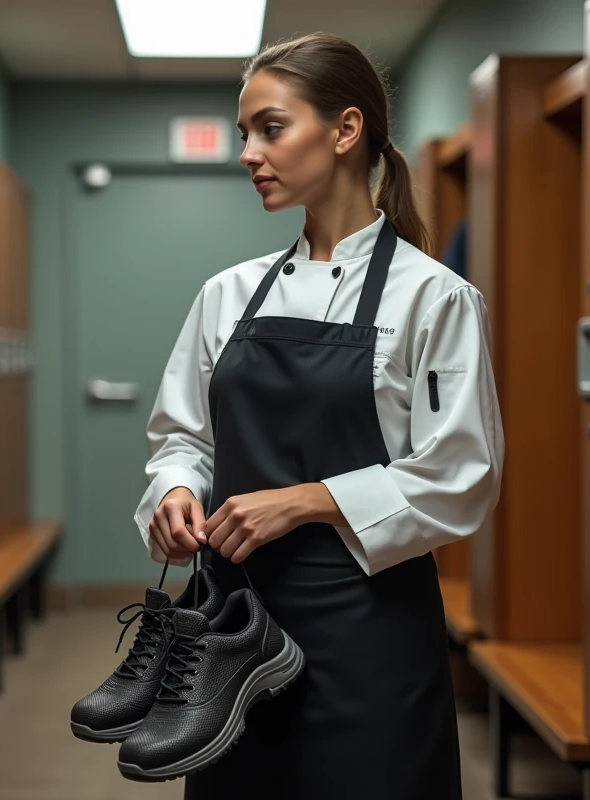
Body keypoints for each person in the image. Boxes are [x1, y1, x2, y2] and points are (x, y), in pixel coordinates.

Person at [133, 32, 505, 800]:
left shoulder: (434, 298)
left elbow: (461, 475)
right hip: (231, 638)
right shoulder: (227, 295)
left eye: (270, 128)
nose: (248, 152)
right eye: (244, 134)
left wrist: (309, 499)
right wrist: (175, 491)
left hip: (370, 638)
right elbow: (183, 436)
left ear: (345, 130)